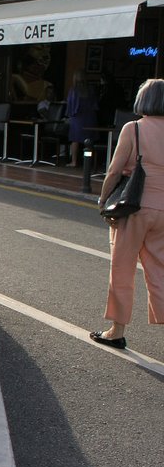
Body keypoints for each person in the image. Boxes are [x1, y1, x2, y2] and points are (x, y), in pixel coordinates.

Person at [91, 78, 164, 349]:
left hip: (134, 208)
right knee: (160, 271)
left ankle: (116, 330)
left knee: (122, 268)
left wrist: (103, 199)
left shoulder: (133, 129)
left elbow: (114, 170)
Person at [66, 72, 98, 168]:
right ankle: (87, 161)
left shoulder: (73, 90)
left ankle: (74, 161)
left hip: (78, 118)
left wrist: (68, 116)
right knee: (89, 141)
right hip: (90, 117)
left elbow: (71, 105)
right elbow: (95, 105)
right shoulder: (90, 90)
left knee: (75, 140)